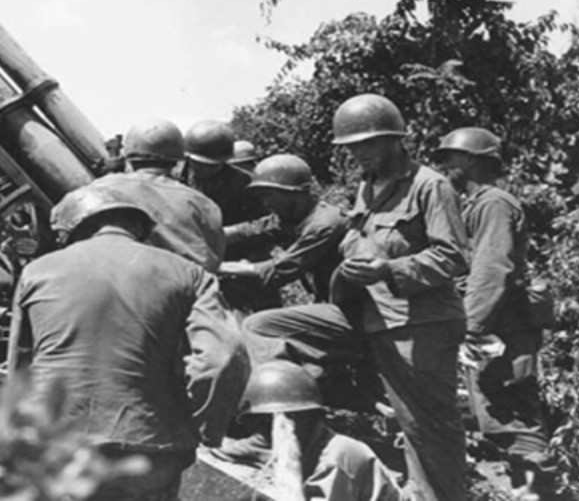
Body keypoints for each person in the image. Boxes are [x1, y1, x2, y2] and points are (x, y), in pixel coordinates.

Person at [243, 93, 470, 501]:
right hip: (365, 312)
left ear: (395, 139)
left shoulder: (429, 186)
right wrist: (354, 253)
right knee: (264, 327)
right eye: (351, 147)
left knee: (425, 425)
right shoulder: (368, 185)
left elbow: (453, 256)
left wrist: (390, 268)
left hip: (419, 322)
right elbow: (356, 234)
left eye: (367, 144)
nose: (358, 154)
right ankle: (285, 426)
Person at [7, 186, 249, 501]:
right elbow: (221, 357)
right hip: (149, 442)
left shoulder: (36, 272)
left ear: (73, 230)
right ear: (139, 227)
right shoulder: (189, 274)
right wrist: (207, 429)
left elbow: (19, 368)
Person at [431, 127, 555, 490]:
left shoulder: (493, 203)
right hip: (493, 327)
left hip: (502, 328)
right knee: (496, 416)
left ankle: (537, 493)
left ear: (472, 160)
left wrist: (470, 328)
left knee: (515, 422)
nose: (443, 166)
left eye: (449, 158)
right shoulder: (474, 204)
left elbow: (491, 268)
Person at [226, 360, 401, 501]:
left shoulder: (339, 455)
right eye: (261, 424)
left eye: (288, 419)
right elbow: (227, 457)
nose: (279, 430)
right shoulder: (276, 442)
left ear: (312, 417)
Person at [86, 117, 225, 271]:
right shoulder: (203, 204)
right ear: (177, 161)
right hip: (180, 282)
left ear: (127, 157)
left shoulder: (92, 193)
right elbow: (214, 258)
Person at [221, 154, 348, 312]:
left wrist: (220, 267)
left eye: (268, 195)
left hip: (353, 310)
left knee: (259, 323)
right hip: (329, 301)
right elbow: (247, 230)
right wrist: (200, 236)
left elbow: (282, 270)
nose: (265, 203)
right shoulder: (293, 216)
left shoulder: (324, 224)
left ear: (293, 193)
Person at [184, 119, 265, 227]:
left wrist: (230, 232)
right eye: (199, 164)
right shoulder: (170, 178)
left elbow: (260, 221)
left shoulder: (242, 182)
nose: (206, 170)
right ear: (187, 158)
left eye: (213, 166)